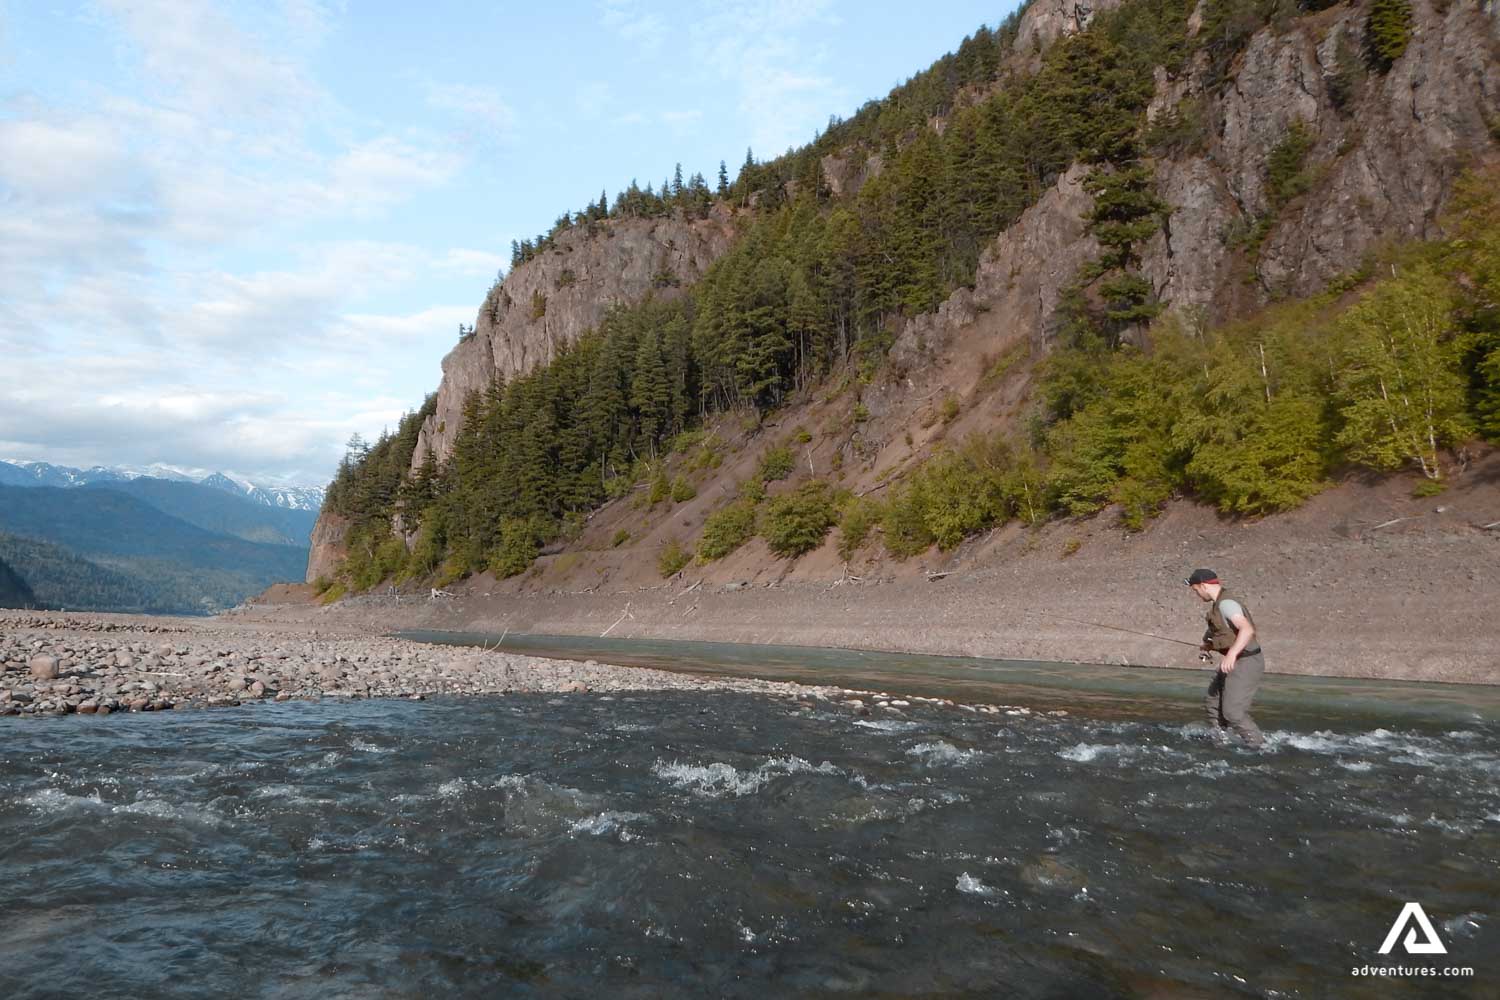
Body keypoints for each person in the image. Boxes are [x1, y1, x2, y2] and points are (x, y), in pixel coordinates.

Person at [1185, 568, 1266, 749]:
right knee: (1213, 705)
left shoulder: (1226, 604)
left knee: (1233, 713)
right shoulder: (1218, 606)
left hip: (1246, 661)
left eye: (1196, 590)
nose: (1197, 594)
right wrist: (1210, 646)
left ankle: (1259, 747)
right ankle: (1221, 744)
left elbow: (1246, 630)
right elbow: (1229, 635)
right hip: (1235, 660)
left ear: (1203, 586)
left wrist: (1231, 654)